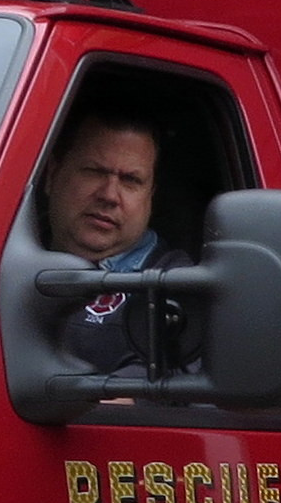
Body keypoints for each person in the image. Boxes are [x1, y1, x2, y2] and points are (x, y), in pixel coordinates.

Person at [39, 105, 198, 376]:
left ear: (151, 195)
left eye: (130, 180)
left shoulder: (178, 288)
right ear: (53, 174)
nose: (110, 195)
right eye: (94, 171)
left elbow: (159, 388)